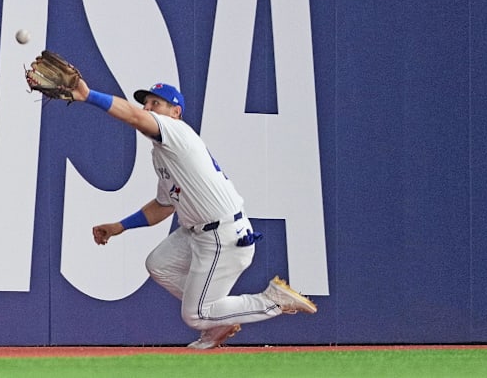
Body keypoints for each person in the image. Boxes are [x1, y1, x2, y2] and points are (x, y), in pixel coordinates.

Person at [70, 79, 317, 349]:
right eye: (147, 102)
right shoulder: (162, 153)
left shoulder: (175, 132)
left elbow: (134, 116)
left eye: (157, 103)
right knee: (159, 264)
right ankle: (219, 321)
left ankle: (271, 301)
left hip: (222, 237)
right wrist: (120, 226)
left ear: (176, 112)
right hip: (196, 231)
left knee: (195, 315)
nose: (148, 107)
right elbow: (164, 205)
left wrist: (88, 95)